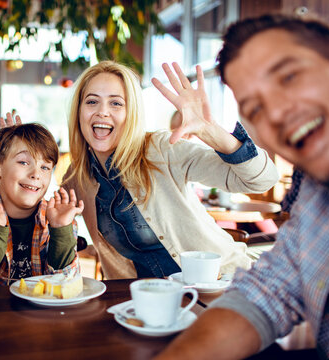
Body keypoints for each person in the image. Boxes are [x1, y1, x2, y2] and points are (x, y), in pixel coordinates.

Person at [155, 14, 329, 359]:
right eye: (255, 108)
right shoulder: (321, 199)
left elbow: (260, 179)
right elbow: (268, 293)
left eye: (289, 77)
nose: (275, 112)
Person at [62, 60, 279, 279]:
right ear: (79, 111)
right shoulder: (76, 177)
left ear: (131, 113)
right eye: (91, 102)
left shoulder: (161, 149)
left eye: (116, 103)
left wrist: (209, 131)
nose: (102, 112)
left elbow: (263, 180)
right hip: (148, 298)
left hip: (220, 284)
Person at [0, 123, 84, 287]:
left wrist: (61, 231)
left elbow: (68, 286)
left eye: (45, 167)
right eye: (23, 162)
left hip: (41, 311)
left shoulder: (59, 218)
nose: (36, 174)